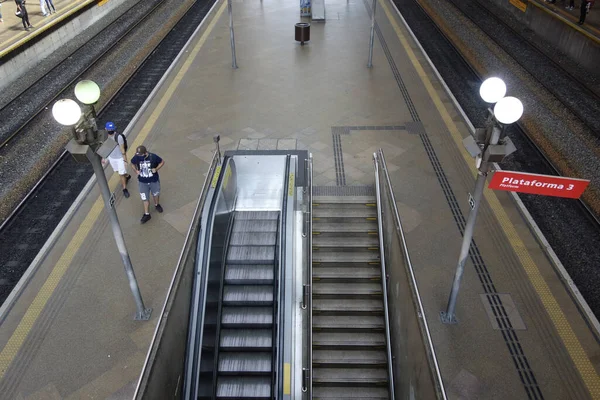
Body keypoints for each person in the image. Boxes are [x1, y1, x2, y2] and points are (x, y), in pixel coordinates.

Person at [130, 145, 165, 224]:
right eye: (138, 154)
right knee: (145, 198)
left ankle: (157, 204)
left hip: (153, 180)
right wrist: (136, 171)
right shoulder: (137, 157)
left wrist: (156, 169)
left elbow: (162, 162)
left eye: (140, 155)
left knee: (155, 194)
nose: (139, 156)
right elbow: (132, 163)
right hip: (142, 182)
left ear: (145, 153)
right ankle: (147, 214)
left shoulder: (153, 157)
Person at [105, 122, 132, 199]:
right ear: (106, 129)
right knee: (117, 171)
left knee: (120, 174)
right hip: (111, 157)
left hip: (120, 158)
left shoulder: (118, 137)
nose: (110, 131)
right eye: (109, 130)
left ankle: (124, 189)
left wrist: (125, 160)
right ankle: (127, 176)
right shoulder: (104, 137)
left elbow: (122, 149)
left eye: (111, 130)